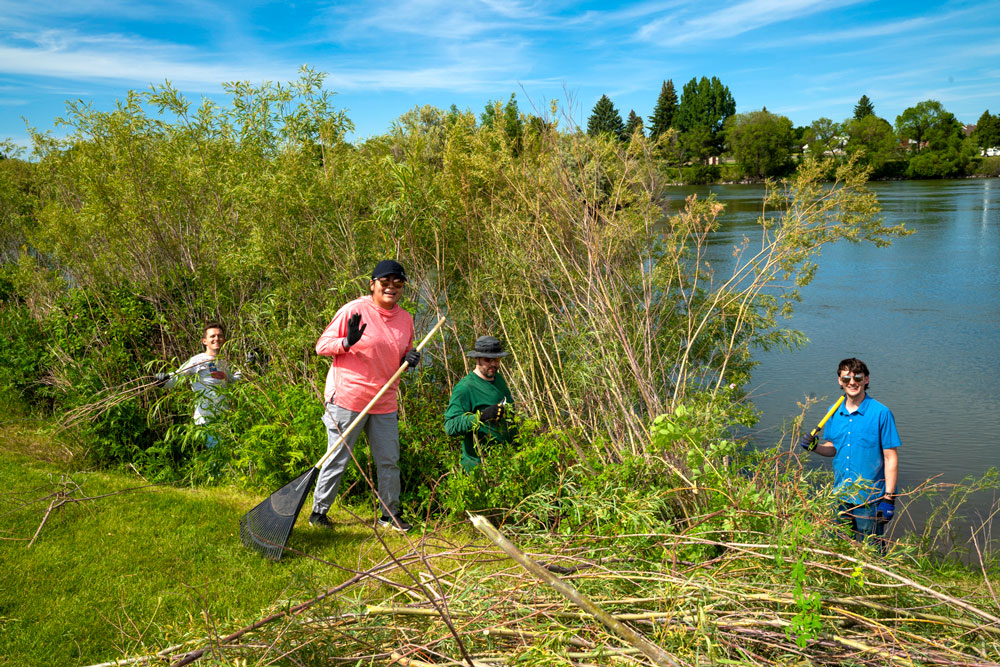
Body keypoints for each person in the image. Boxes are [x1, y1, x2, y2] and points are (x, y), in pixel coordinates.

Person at [309, 260, 420, 532]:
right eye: (385, 282)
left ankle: (389, 515)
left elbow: (404, 350)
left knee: (389, 461)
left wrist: (410, 357)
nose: (391, 287)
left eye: (398, 283)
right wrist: (347, 342)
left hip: (384, 401)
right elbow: (321, 346)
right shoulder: (354, 310)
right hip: (348, 398)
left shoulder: (405, 318)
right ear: (372, 285)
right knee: (338, 458)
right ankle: (318, 513)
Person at [799, 358, 901, 550]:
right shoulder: (833, 411)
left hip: (869, 499)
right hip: (839, 496)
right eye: (846, 377)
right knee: (838, 549)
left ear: (866, 380)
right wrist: (815, 447)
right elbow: (833, 448)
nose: (852, 382)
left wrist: (889, 498)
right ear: (839, 380)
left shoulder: (881, 413)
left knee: (872, 552)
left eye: (857, 377)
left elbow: (891, 458)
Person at [155, 322, 241, 448]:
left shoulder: (222, 362)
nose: (216, 338)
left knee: (226, 457)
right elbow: (177, 376)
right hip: (207, 418)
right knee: (218, 458)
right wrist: (162, 381)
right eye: (213, 336)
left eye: (220, 336)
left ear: (224, 340)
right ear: (204, 341)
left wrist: (247, 366)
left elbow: (233, 380)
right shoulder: (197, 360)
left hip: (223, 416)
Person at [444, 336, 516, 471]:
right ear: (476, 359)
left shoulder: (499, 379)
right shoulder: (465, 388)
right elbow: (450, 426)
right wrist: (482, 416)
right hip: (479, 466)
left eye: (497, 359)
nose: (493, 364)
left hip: (505, 461)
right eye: (488, 360)